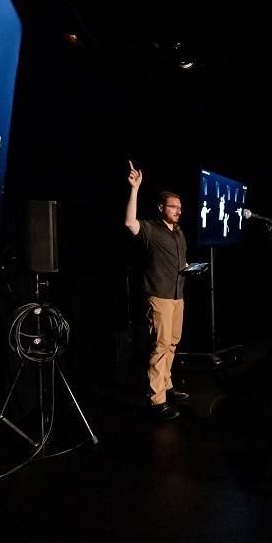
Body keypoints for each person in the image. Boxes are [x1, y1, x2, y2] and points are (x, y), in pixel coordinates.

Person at [125, 162, 192, 420]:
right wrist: (135, 189)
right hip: (159, 295)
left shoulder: (179, 233)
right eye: (173, 206)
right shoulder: (151, 230)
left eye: (179, 207)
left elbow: (179, 263)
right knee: (161, 345)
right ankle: (156, 400)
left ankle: (167, 384)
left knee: (172, 343)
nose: (178, 210)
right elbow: (129, 222)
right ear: (161, 208)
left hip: (177, 296)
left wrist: (190, 268)